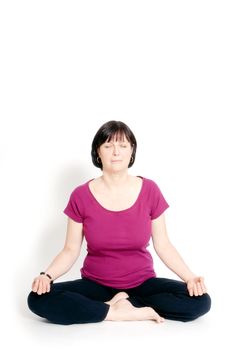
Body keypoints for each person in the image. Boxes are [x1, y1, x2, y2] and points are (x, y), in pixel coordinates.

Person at [27, 120, 211, 325]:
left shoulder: (150, 190)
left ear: (132, 151)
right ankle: (115, 311)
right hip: (96, 286)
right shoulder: (80, 195)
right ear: (98, 152)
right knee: (37, 298)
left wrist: (190, 278)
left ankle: (129, 302)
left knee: (201, 301)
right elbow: (70, 250)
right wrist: (46, 275)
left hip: (143, 284)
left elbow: (164, 245)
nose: (116, 152)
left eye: (123, 145)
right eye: (108, 145)